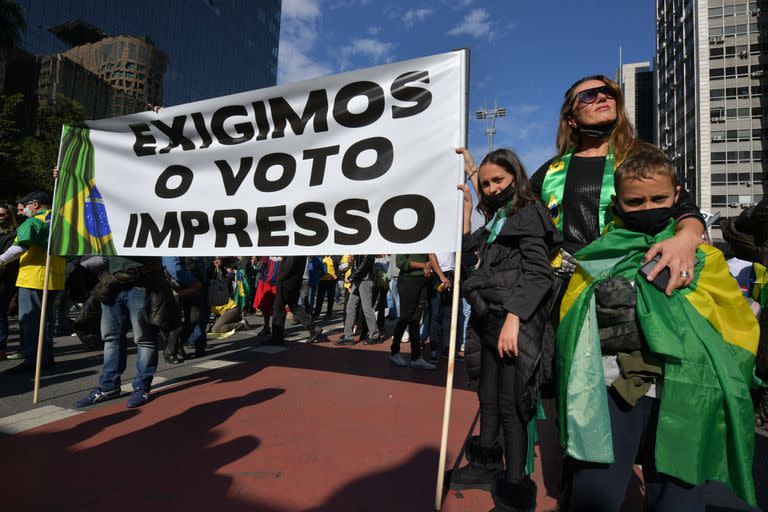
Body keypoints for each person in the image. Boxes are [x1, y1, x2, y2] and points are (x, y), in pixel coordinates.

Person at [557, 142, 758, 511]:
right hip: (611, 391)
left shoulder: (705, 258)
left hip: (688, 394)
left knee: (678, 499)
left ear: (677, 195)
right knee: (595, 494)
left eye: (658, 198)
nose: (648, 208)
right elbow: (571, 320)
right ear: (618, 202)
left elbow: (736, 326)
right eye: (636, 202)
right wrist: (595, 315)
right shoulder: (600, 254)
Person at [448, 149, 560, 511]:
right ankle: (484, 465)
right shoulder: (495, 220)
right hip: (487, 321)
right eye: (487, 183)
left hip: (513, 324)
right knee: (488, 397)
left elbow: (539, 274)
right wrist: (467, 209)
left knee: (513, 407)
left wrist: (514, 318)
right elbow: (469, 261)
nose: (493, 188)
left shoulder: (527, 214)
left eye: (500, 180)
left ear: (516, 177)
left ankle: (515, 488)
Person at [76, 255, 178, 408]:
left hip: (140, 282)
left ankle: (141, 387)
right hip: (110, 284)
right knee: (112, 338)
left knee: (144, 337)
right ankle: (108, 386)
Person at [0, 192, 67, 372]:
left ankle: (33, 361)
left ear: (36, 205)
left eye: (27, 206)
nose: (24, 210)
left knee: (30, 321)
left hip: (34, 277)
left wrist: (0, 260)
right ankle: (45, 358)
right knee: (46, 322)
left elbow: (20, 246)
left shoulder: (34, 221)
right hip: (55, 277)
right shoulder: (62, 220)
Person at [389, 254, 436, 369]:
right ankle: (394, 352)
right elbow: (400, 262)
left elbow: (431, 256)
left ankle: (416, 357)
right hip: (408, 280)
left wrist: (430, 268)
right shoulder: (407, 239)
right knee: (405, 318)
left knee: (415, 320)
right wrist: (423, 266)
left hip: (423, 281)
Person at [270, 256, 322, 345]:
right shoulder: (300, 249)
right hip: (295, 280)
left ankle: (277, 338)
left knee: (279, 308)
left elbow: (289, 263)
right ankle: (313, 328)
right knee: (294, 306)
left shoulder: (293, 249)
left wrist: (280, 277)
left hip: (287, 281)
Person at [337, 255, 380, 346]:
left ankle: (375, 335)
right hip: (359, 279)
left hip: (365, 280)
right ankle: (348, 337)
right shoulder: (359, 248)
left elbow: (365, 264)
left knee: (366, 308)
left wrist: (352, 277)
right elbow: (359, 265)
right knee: (350, 306)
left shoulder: (366, 249)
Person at [0, 204, 20, 360]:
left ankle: (0, 347)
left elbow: (10, 260)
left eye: (2, 215)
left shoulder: (13, 235)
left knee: (0, 313)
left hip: (5, 280)